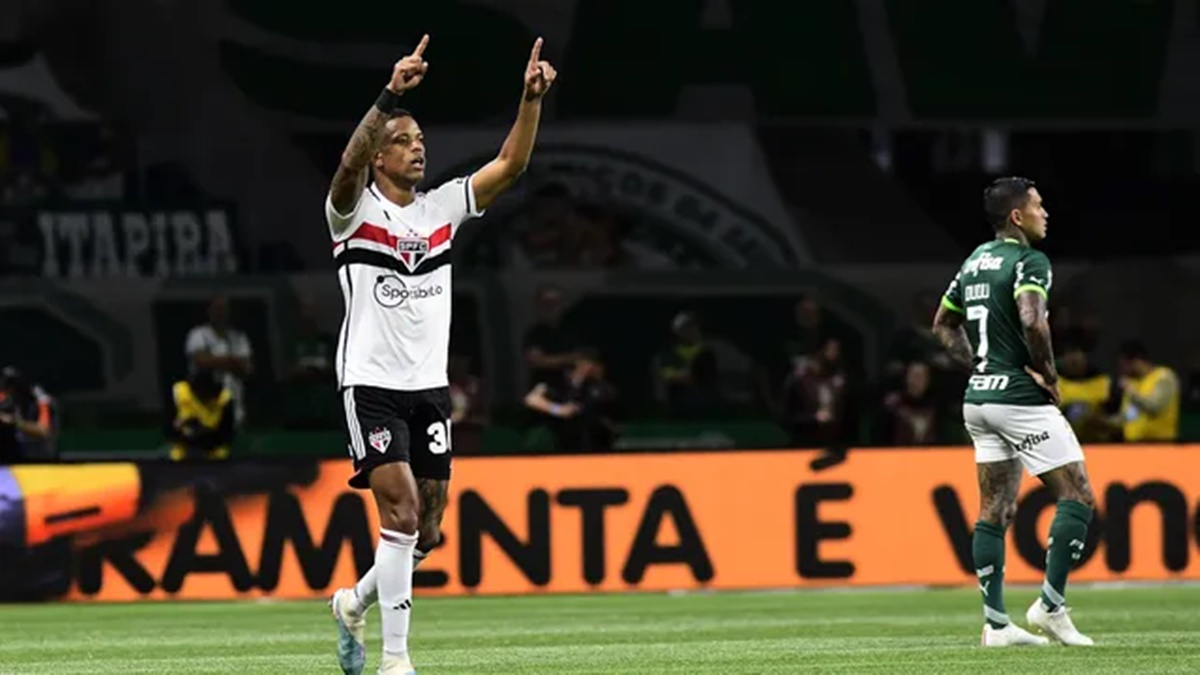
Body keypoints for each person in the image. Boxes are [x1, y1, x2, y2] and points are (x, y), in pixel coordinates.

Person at [323, 34, 557, 675]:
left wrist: (529, 100)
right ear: (377, 156)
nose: (418, 145)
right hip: (369, 383)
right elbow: (344, 169)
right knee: (396, 510)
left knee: (424, 532)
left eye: (421, 137)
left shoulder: (441, 210)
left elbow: (510, 165)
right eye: (403, 139)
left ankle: (353, 601)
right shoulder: (350, 214)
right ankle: (397, 662)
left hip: (428, 387)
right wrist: (390, 95)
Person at [931, 177, 1096, 647]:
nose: (1047, 213)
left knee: (994, 509)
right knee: (1078, 495)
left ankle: (996, 624)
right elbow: (1032, 319)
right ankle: (1050, 606)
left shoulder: (975, 261)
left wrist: (980, 366)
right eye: (1039, 206)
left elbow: (942, 324)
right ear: (1018, 217)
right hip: (1019, 398)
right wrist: (1048, 374)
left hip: (979, 400)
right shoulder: (1030, 260)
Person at [1112, 340, 1180, 442]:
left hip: (1159, 444)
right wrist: (1105, 422)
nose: (1122, 370)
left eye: (1124, 365)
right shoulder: (1132, 383)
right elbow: (1128, 417)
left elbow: (1155, 407)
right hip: (1132, 446)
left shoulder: (1163, 377)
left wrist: (1131, 392)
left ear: (1136, 362)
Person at [164, 367, 235, 461]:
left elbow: (227, 433)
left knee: (221, 455)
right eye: (202, 391)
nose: (206, 396)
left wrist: (205, 432)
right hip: (184, 444)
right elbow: (170, 429)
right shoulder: (180, 393)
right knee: (176, 456)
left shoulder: (224, 400)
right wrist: (180, 427)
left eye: (211, 391)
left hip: (212, 443)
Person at [0, 366, 56, 463]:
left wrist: (15, 422)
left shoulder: (41, 402)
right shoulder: (6, 399)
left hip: (37, 457)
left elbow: (43, 431)